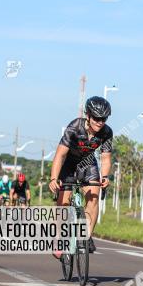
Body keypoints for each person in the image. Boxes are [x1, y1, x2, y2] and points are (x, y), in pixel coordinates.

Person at [48, 96, 113, 257]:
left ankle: (87, 236)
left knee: (94, 197)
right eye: (97, 118)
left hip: (88, 164)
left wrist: (105, 176)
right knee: (63, 202)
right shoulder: (74, 127)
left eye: (103, 118)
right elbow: (60, 155)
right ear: (88, 115)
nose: (100, 122)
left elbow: (105, 158)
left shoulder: (106, 132)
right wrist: (53, 178)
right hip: (68, 165)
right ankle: (59, 237)